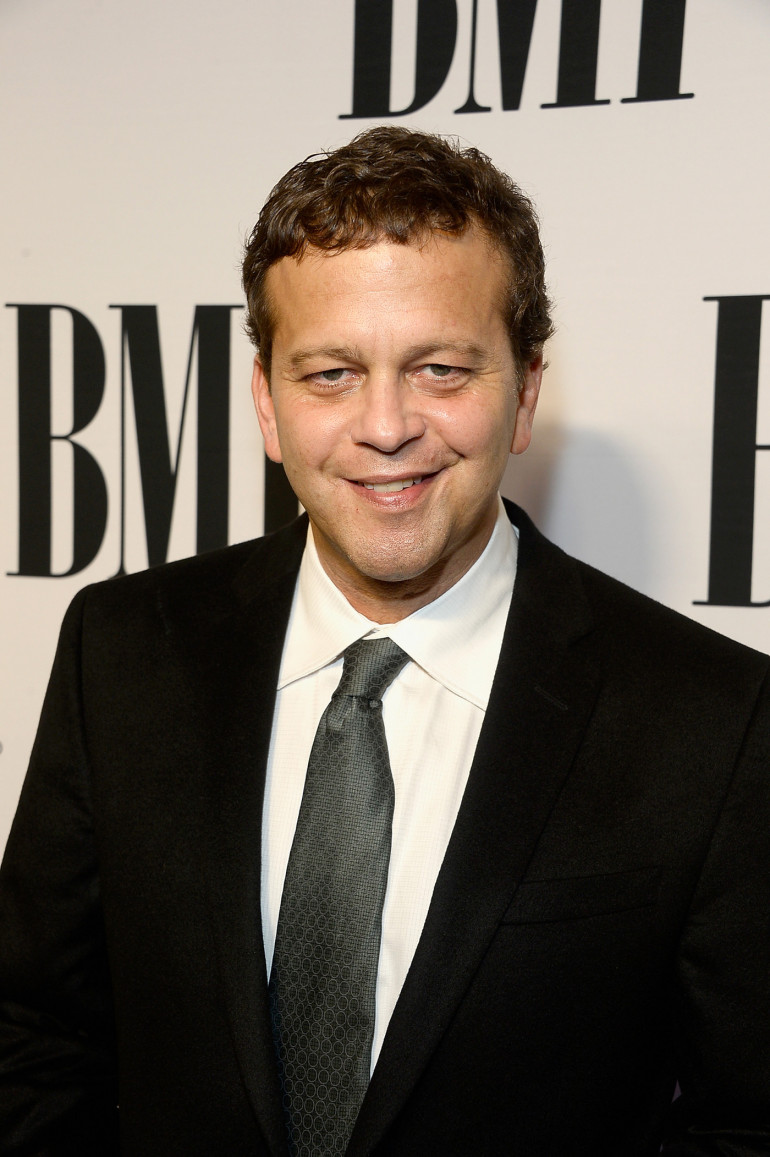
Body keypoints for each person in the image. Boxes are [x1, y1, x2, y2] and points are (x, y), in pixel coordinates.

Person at [1, 126, 769, 1157]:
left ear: (523, 392)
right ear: (265, 402)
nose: (386, 424)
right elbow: (34, 1037)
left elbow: (746, 1122)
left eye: (440, 368)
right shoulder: (124, 653)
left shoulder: (712, 721)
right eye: (329, 373)